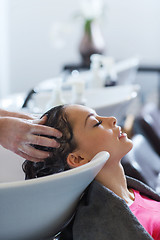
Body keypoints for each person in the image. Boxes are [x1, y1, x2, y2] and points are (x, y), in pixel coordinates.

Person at [23, 104, 160, 240]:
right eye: (97, 123)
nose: (112, 119)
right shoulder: (106, 229)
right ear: (78, 158)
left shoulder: (134, 194)